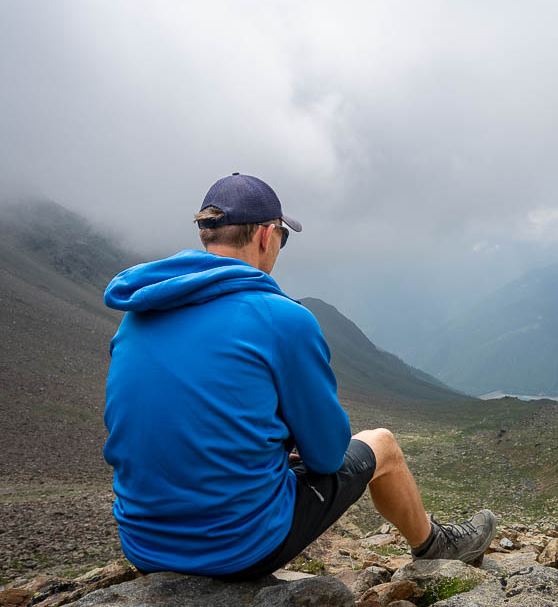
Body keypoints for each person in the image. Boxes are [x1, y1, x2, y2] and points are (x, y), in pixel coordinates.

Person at [102, 172, 495, 579]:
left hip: (143, 544)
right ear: (264, 236)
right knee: (383, 445)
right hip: (238, 547)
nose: (279, 246)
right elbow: (327, 454)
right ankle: (436, 547)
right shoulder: (281, 319)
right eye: (283, 237)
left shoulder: (136, 317)